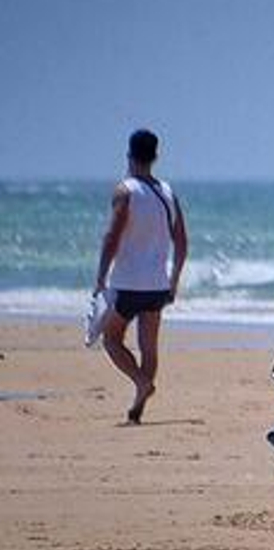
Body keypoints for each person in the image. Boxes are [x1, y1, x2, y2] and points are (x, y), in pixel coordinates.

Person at [93, 128, 188, 424]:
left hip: (128, 283)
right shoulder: (167, 192)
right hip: (157, 284)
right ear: (156, 155)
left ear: (129, 155)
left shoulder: (126, 190)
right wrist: (173, 281)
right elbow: (182, 242)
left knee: (111, 339)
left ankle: (140, 383)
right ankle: (138, 406)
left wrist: (101, 274)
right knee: (149, 346)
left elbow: (113, 235)